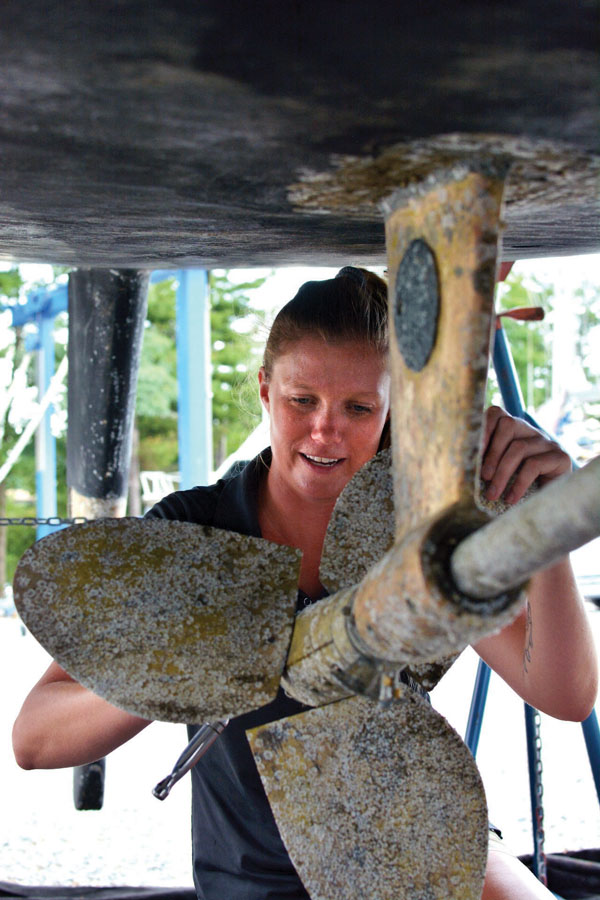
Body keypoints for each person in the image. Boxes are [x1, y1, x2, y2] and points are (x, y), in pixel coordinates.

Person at [12, 267, 598, 900]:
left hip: (414, 838)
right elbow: (35, 736)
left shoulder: (414, 525)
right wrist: (189, 668)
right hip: (258, 878)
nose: (325, 430)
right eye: (302, 401)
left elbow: (564, 695)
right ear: (265, 390)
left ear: (392, 408)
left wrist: (547, 520)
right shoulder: (195, 533)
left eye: (358, 407)